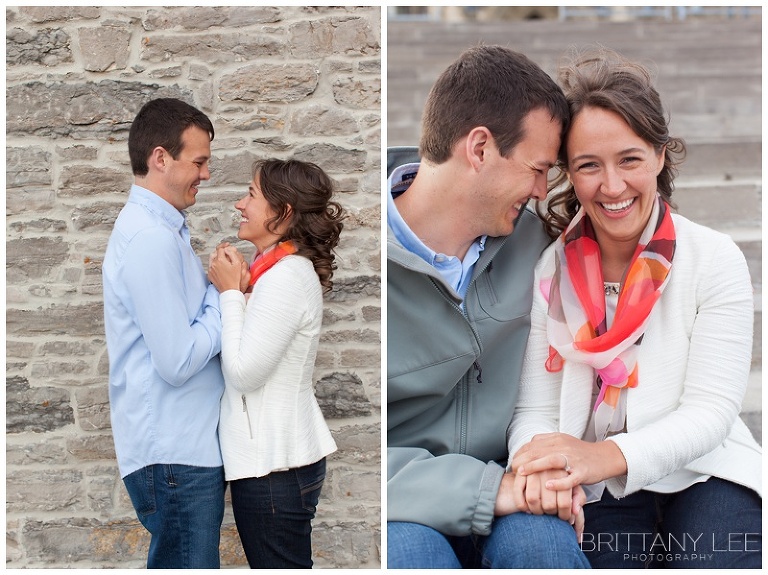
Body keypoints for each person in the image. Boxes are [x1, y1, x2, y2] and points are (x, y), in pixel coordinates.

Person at [508, 47, 762, 568]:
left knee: (718, 559)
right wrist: (542, 467)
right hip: (596, 486)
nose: (613, 186)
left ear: (660, 155)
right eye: (588, 167)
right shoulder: (548, 271)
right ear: (569, 175)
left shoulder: (714, 259)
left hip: (703, 468)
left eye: (629, 159)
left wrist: (599, 456)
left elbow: (710, 413)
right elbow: (534, 410)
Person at [386, 45, 590, 569]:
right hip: (402, 495)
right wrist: (487, 488)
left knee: (544, 553)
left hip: (516, 479)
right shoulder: (352, 259)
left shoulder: (539, 243)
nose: (545, 192)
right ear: (479, 148)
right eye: (538, 169)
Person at [102, 98, 225, 568]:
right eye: (199, 161)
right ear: (160, 158)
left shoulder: (163, 231)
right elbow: (176, 362)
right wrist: (223, 297)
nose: (206, 174)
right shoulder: (150, 239)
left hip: (183, 452)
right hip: (175, 455)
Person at [207, 158, 343, 569]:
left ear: (283, 212)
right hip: (275, 466)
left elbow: (245, 374)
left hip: (274, 469)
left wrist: (230, 294)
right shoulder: (275, 272)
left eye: (250, 194)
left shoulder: (286, 276)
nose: (239, 204)